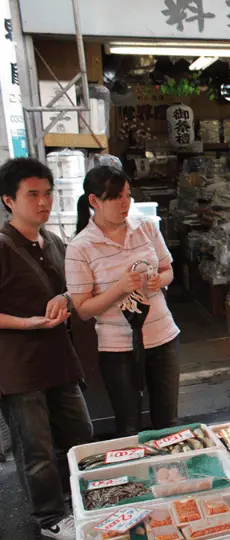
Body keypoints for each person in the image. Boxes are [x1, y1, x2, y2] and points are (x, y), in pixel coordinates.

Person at [0, 158, 92, 539]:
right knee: (35, 448)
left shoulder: (53, 241)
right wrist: (29, 323)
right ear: (9, 200)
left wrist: (66, 299)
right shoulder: (3, 247)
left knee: (79, 435)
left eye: (48, 193)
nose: (43, 202)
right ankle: (50, 517)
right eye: (32, 194)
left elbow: (72, 288)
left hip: (59, 361)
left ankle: (73, 503)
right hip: (19, 368)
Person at [66, 166, 180, 436]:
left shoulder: (146, 228)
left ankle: (172, 474)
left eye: (128, 195)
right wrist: (118, 288)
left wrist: (159, 281)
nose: (125, 203)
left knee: (169, 422)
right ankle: (138, 475)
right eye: (116, 197)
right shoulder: (80, 247)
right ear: (94, 201)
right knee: (130, 425)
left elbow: (168, 270)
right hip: (117, 348)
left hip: (163, 337)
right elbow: (82, 310)